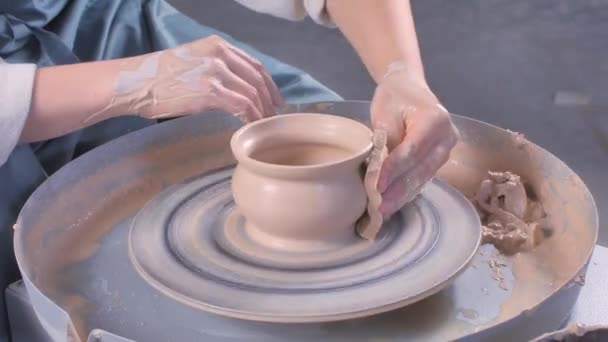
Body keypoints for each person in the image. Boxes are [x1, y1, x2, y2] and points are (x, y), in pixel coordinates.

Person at [0, 0, 458, 338]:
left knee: (320, 118)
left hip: (93, 18)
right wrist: (131, 86)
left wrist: (403, 74)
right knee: (41, 263)